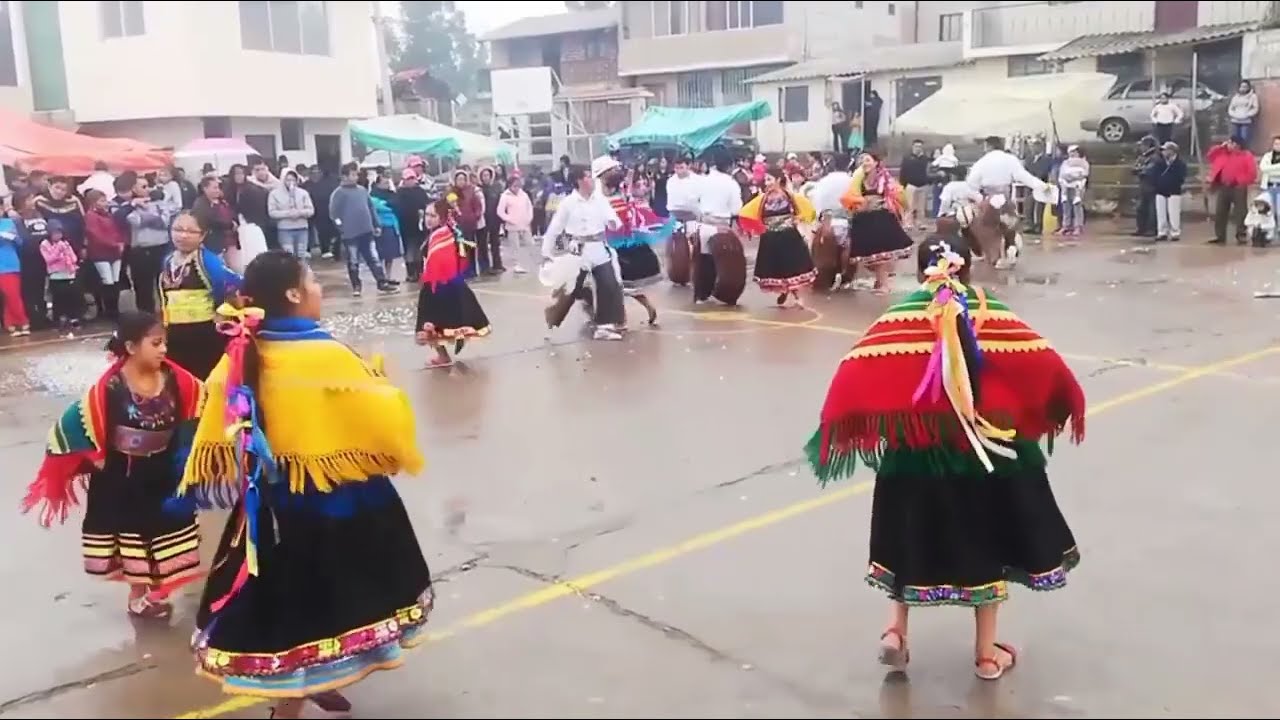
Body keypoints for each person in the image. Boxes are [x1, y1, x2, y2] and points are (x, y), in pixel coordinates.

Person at [804, 234, 1085, 681]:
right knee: (989, 540)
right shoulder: (991, 311)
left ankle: (896, 630)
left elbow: (855, 369)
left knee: (907, 532)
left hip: (916, 459)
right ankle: (986, 655)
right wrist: (1051, 407)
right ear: (967, 267)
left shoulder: (901, 317)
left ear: (921, 271)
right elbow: (1044, 364)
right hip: (988, 455)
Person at [174, 251, 432, 717]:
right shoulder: (325, 354)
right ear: (293, 294)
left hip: (271, 508)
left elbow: (218, 419)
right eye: (312, 281)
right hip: (337, 503)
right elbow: (383, 415)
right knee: (332, 601)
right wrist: (379, 383)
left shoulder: (242, 353)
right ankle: (290, 704)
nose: (318, 289)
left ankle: (311, 684)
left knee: (289, 605)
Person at [21, 311, 205, 618]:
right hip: (124, 478)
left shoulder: (177, 379)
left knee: (166, 531)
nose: (163, 350)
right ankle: (138, 596)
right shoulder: (109, 387)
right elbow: (71, 424)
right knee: (133, 535)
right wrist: (96, 457)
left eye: (164, 343)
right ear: (131, 347)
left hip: (163, 472)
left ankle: (157, 591)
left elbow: (203, 405)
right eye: (155, 343)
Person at [541, 165, 627, 341]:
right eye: (587, 176)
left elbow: (612, 218)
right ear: (579, 180)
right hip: (577, 249)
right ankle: (553, 318)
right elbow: (555, 228)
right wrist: (546, 252)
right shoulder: (568, 203)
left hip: (598, 247)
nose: (592, 180)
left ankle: (604, 326)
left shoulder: (600, 200)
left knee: (608, 284)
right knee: (571, 289)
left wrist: (613, 223)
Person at [158, 211, 242, 380]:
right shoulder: (168, 260)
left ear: (202, 235)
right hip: (174, 332)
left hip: (203, 332)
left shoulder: (208, 261)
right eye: (178, 229)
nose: (183, 235)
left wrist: (221, 310)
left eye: (191, 231)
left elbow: (231, 283)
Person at [596, 155, 673, 326]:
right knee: (620, 284)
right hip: (624, 242)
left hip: (613, 245)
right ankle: (636, 309)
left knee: (613, 283)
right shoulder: (622, 194)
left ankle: (619, 318)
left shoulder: (608, 199)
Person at [416, 198, 492, 368]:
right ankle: (443, 353)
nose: (428, 219)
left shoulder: (442, 235)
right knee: (436, 323)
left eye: (433, 216)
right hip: (440, 283)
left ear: (442, 217)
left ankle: (443, 355)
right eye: (427, 215)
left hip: (441, 285)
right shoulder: (444, 233)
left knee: (432, 322)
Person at [740, 167, 816, 308]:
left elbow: (807, 208)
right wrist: (756, 227)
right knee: (778, 268)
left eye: (769, 179)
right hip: (771, 238)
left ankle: (797, 297)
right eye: (766, 179)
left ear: (778, 180)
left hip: (788, 237)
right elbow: (746, 213)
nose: (766, 182)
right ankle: (784, 291)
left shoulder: (789, 196)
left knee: (791, 267)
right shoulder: (762, 199)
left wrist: (799, 218)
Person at [841, 152, 915, 295]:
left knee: (881, 254)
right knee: (869, 256)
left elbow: (897, 194)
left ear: (876, 162)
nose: (864, 163)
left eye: (867, 160)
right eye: (862, 160)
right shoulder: (858, 179)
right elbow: (852, 197)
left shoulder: (884, 178)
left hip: (881, 218)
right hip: (863, 219)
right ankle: (880, 280)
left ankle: (884, 284)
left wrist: (900, 209)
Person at [329, 162, 396, 296]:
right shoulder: (338, 193)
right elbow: (334, 214)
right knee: (353, 260)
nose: (356, 177)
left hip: (367, 231)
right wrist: (341, 228)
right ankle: (356, 285)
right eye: (353, 174)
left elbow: (371, 208)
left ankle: (381, 282)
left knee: (373, 258)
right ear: (344, 176)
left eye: (356, 174)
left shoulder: (362, 190)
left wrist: (376, 224)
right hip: (350, 234)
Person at [693, 152, 746, 303]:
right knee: (726, 262)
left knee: (704, 259)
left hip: (704, 223)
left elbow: (693, 202)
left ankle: (701, 295)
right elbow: (736, 209)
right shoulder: (731, 183)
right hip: (723, 224)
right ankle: (725, 294)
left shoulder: (701, 181)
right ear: (729, 166)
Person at [1206, 135, 1258, 245]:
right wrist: (1220, 147)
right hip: (1224, 186)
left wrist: (1240, 181)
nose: (1228, 144)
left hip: (1238, 186)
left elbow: (1252, 172)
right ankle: (1220, 236)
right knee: (1220, 211)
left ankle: (1241, 234)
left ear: (1236, 144)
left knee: (1240, 211)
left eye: (1231, 142)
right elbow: (1210, 156)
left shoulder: (1246, 155)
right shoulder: (1222, 153)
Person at [40, 219, 83, 328]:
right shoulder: (44, 244)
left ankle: (73, 318)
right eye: (55, 233)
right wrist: (59, 250)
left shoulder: (65, 243)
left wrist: (68, 257)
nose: (58, 235)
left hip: (69, 273)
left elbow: (74, 258)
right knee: (59, 299)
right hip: (56, 275)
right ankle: (59, 319)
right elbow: (49, 260)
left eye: (60, 232)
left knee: (72, 297)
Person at [267, 169, 315, 260]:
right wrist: (287, 214)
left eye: (293, 180)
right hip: (285, 229)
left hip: (302, 228)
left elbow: (311, 210)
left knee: (301, 255)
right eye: (288, 180)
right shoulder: (274, 194)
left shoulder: (303, 193)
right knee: (289, 256)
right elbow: (272, 212)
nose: (291, 182)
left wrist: (300, 213)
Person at [496, 173, 535, 275]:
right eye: (514, 186)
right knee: (515, 246)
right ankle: (517, 264)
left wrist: (529, 218)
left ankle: (530, 261)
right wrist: (509, 219)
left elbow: (529, 207)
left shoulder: (524, 195)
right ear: (509, 186)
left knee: (529, 243)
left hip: (525, 224)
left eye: (518, 186)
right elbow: (500, 211)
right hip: (512, 225)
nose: (516, 188)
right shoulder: (505, 196)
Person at [1153, 141, 1186, 243]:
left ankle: (1175, 232)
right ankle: (1162, 232)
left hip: (1174, 190)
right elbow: (1154, 174)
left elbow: (1181, 177)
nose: (1163, 152)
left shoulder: (1180, 163)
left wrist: (1173, 183)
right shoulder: (1159, 163)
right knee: (1161, 213)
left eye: (1165, 150)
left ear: (1172, 151)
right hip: (1160, 190)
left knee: (1174, 213)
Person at [1058, 146, 1090, 238]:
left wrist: (1074, 177)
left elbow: (1084, 174)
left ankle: (1078, 226)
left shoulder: (1083, 163)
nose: (1072, 154)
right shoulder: (1065, 163)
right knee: (1066, 206)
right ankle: (1066, 226)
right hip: (1066, 186)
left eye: (1074, 152)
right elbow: (1062, 174)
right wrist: (1066, 180)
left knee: (1077, 206)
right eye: (1071, 152)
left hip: (1078, 187)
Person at [899, 139, 932, 230]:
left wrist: (928, 182)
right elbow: (903, 171)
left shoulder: (925, 159)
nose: (918, 148)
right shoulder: (907, 158)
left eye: (920, 147)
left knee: (921, 207)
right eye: (916, 146)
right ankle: (908, 223)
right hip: (911, 185)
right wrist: (902, 184)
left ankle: (921, 223)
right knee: (909, 206)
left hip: (923, 185)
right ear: (913, 147)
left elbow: (928, 171)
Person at [1132, 135, 1160, 238]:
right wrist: (1140, 170)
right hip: (1143, 185)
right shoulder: (1142, 157)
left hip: (1152, 186)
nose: (1141, 147)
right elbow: (1135, 169)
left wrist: (1141, 170)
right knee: (1141, 208)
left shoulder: (1155, 157)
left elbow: (1149, 171)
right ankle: (1141, 228)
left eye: (1143, 145)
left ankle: (1151, 229)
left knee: (1152, 209)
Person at [1229, 80, 1260, 145]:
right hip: (1235, 121)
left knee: (1244, 138)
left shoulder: (1253, 96)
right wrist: (1233, 114)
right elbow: (1230, 108)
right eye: (1242, 86)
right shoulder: (1235, 97)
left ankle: (1243, 150)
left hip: (1246, 121)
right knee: (1234, 139)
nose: (1243, 88)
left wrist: (1247, 114)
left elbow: (1255, 108)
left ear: (1248, 87)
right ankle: (1235, 151)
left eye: (1245, 87)